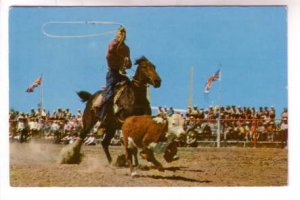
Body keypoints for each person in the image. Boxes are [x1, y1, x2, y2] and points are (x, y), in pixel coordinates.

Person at [97, 26, 132, 120]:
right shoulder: (113, 43)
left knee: (131, 87)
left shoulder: (126, 48)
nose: (122, 35)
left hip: (122, 74)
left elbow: (130, 65)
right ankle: (102, 117)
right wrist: (118, 45)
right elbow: (109, 55)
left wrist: (127, 62)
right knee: (109, 95)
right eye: (120, 33)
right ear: (117, 34)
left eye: (123, 33)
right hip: (112, 73)